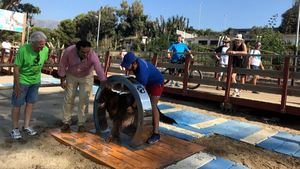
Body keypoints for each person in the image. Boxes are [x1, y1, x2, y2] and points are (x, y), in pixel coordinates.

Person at [58, 40, 107, 132]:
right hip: (71, 75)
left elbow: (98, 68)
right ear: (77, 50)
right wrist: (62, 80)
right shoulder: (68, 51)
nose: (85, 54)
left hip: (86, 76)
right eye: (83, 52)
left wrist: (104, 81)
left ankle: (81, 124)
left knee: (84, 99)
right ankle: (66, 122)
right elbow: (63, 65)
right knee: (69, 98)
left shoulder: (92, 55)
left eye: (87, 52)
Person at [10, 31, 49, 139]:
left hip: (35, 81)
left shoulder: (45, 49)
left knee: (30, 103)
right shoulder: (23, 50)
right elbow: (16, 68)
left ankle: (26, 126)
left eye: (43, 45)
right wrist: (17, 85)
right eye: (39, 46)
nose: (42, 48)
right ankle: (15, 129)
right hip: (22, 81)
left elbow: (44, 60)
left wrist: (48, 61)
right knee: (17, 104)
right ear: (32, 44)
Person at [121, 52, 164, 144]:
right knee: (138, 104)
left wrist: (132, 106)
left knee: (153, 105)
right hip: (148, 81)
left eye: (126, 66)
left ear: (134, 63)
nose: (125, 68)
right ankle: (134, 125)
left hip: (157, 83)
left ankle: (156, 133)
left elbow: (139, 93)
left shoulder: (142, 72)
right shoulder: (136, 64)